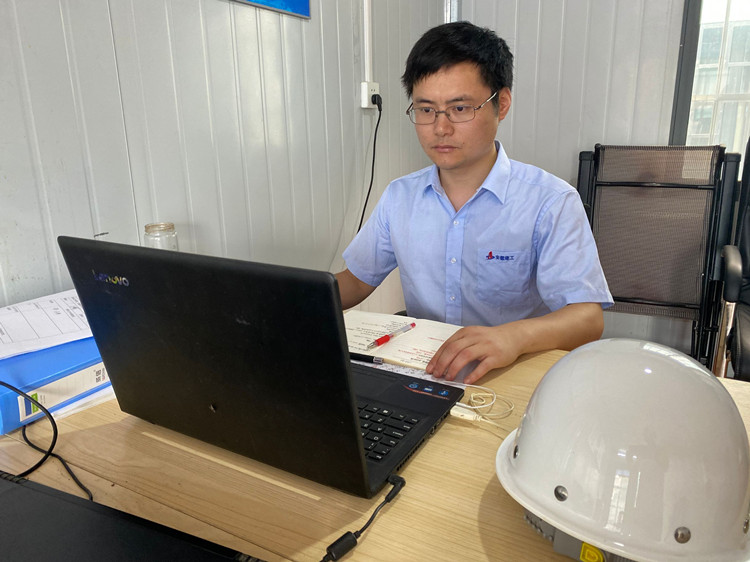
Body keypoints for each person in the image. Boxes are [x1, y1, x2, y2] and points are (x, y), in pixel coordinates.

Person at [336, 21, 612, 385]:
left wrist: (512, 337)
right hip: (425, 374)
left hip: (512, 379)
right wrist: (285, 301)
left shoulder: (550, 201)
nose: (441, 128)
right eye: (426, 110)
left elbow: (587, 318)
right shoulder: (400, 197)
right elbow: (355, 282)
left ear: (502, 104)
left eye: (460, 108)